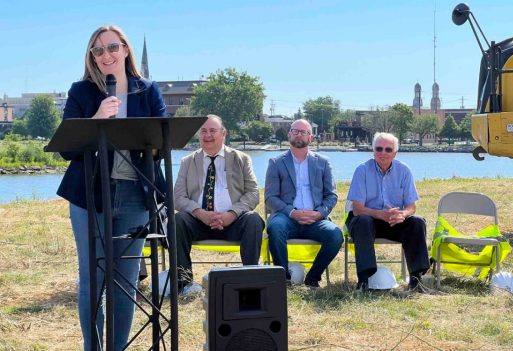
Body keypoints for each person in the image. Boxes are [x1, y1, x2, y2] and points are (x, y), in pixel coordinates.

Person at [57, 25, 167, 350]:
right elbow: (67, 149)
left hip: (135, 194)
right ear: (92, 57)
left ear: (126, 49)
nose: (107, 55)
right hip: (89, 195)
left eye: (112, 47)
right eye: (99, 50)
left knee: (125, 282)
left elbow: (161, 140)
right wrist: (95, 119)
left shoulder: (147, 90)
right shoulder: (81, 92)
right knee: (92, 280)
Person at [174, 115, 264, 293]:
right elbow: (178, 197)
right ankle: (184, 283)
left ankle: (250, 281)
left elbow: (253, 194)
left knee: (253, 220)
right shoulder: (187, 162)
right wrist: (200, 213)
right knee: (178, 221)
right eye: (203, 131)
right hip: (198, 221)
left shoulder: (242, 159)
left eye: (212, 131)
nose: (207, 135)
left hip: (233, 221)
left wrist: (232, 214)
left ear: (223, 133)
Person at [346, 132, 430, 292]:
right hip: (366, 219)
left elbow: (411, 207)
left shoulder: (404, 171)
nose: (383, 153)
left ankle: (416, 280)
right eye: (379, 148)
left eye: (388, 149)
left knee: (417, 222)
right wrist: (381, 214)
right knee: (363, 221)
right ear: (373, 150)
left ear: (395, 153)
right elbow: (357, 209)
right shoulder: (362, 170)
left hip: (393, 221)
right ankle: (364, 280)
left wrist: (402, 215)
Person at [265, 119, 343, 287]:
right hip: (286, 217)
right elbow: (270, 197)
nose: (299, 134)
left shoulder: (323, 162)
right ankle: (283, 279)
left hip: (315, 219)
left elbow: (331, 195)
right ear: (289, 134)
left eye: (304, 132)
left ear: (311, 137)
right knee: (275, 228)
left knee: (336, 235)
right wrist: (292, 212)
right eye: (295, 131)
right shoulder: (276, 163)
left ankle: (313, 278)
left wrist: (319, 213)